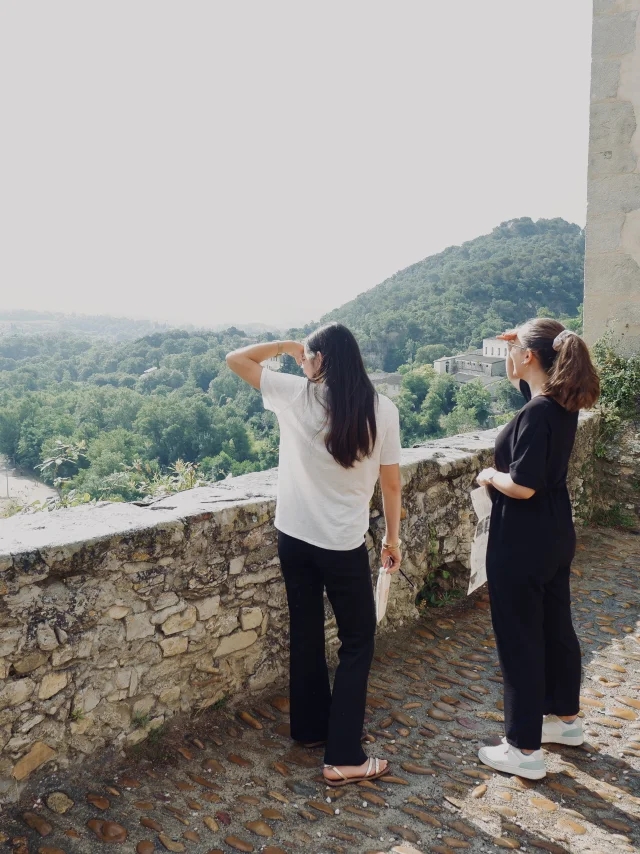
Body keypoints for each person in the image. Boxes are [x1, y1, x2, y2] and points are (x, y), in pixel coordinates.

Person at [226, 322, 403, 786]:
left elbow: (236, 360)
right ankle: (343, 754)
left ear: (321, 360)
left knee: (305, 630)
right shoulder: (381, 409)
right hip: (342, 543)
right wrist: (392, 539)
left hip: (294, 537)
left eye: (307, 356)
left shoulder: (295, 395)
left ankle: (309, 730)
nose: (301, 362)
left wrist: (284, 346)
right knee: (358, 641)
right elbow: (390, 484)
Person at [475, 319, 600, 779]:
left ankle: (523, 748)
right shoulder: (560, 406)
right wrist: (521, 366)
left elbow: (522, 485)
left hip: (522, 539)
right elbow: (535, 428)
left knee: (520, 639)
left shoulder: (537, 413)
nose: (506, 355)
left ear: (529, 356)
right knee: (554, 627)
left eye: (514, 350)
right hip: (554, 534)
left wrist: (489, 476)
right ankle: (564, 719)